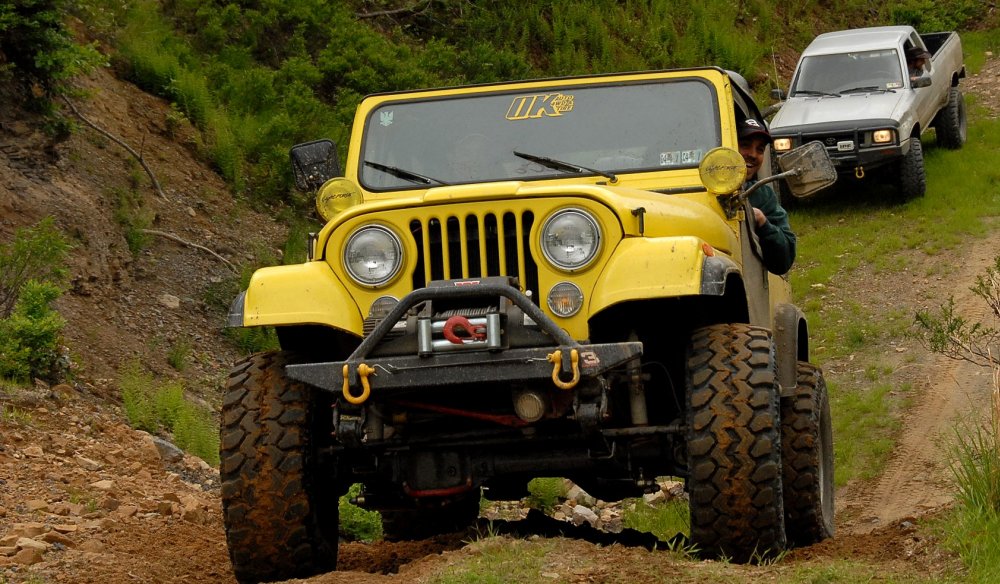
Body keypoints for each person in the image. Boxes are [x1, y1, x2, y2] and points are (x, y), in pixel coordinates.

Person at [737, 118, 797, 275]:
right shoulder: (698, 185)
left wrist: (763, 223)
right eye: (745, 145)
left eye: (760, 149)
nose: (753, 155)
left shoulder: (762, 195)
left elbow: (784, 260)